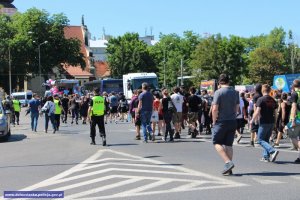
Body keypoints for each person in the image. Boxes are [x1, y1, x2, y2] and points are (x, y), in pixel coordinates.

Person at [211, 74, 239, 175]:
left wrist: (214, 121)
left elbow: (214, 109)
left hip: (221, 121)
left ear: (219, 82)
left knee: (216, 142)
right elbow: (237, 108)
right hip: (232, 121)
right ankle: (229, 168)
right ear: (228, 81)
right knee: (228, 144)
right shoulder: (235, 92)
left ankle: (228, 162)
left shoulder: (218, 92)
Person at [251, 84, 279, 163]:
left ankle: (272, 151)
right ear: (270, 91)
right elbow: (276, 112)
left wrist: (252, 119)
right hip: (271, 121)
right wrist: (275, 122)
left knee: (260, 140)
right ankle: (265, 157)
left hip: (264, 121)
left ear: (262, 90)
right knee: (266, 139)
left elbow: (257, 110)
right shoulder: (273, 100)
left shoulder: (260, 99)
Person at [289, 79, 300, 163]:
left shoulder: (295, 94)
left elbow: (294, 107)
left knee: (292, 136)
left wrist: (292, 119)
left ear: (293, 85)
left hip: (298, 118)